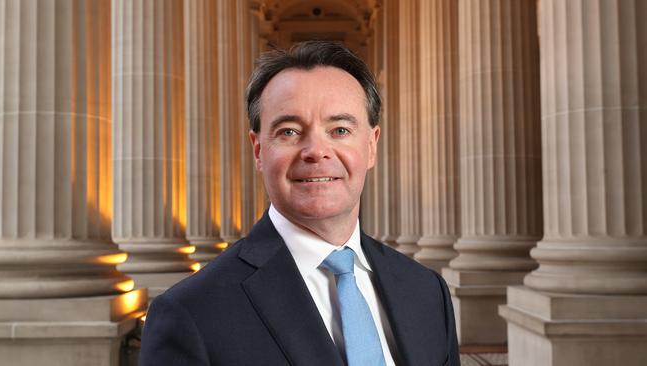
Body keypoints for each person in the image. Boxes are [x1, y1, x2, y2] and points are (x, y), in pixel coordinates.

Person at [140, 41, 460, 366]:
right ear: (258, 151)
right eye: (290, 131)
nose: (316, 151)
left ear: (371, 145)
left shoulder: (427, 290)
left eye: (339, 130)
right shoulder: (191, 312)